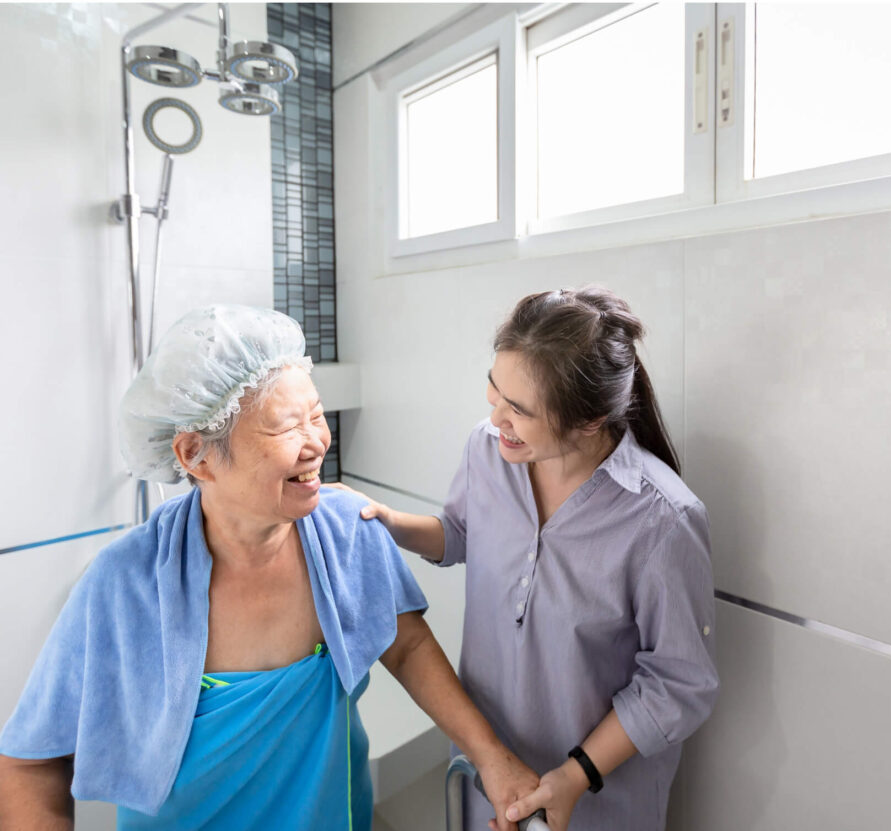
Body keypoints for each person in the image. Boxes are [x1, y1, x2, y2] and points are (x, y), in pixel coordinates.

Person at [0, 305, 537, 830]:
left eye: (316, 415)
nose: (317, 443)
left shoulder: (347, 527)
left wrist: (490, 756)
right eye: (286, 427)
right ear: (195, 455)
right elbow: (30, 762)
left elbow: (408, 644)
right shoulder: (125, 582)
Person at [341, 287, 719, 830]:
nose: (496, 419)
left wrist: (573, 775)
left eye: (518, 411)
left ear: (589, 422)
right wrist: (386, 521)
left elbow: (679, 683)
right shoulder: (488, 449)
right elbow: (461, 531)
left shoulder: (662, 520)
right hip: (485, 770)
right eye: (493, 393)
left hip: (594, 800)